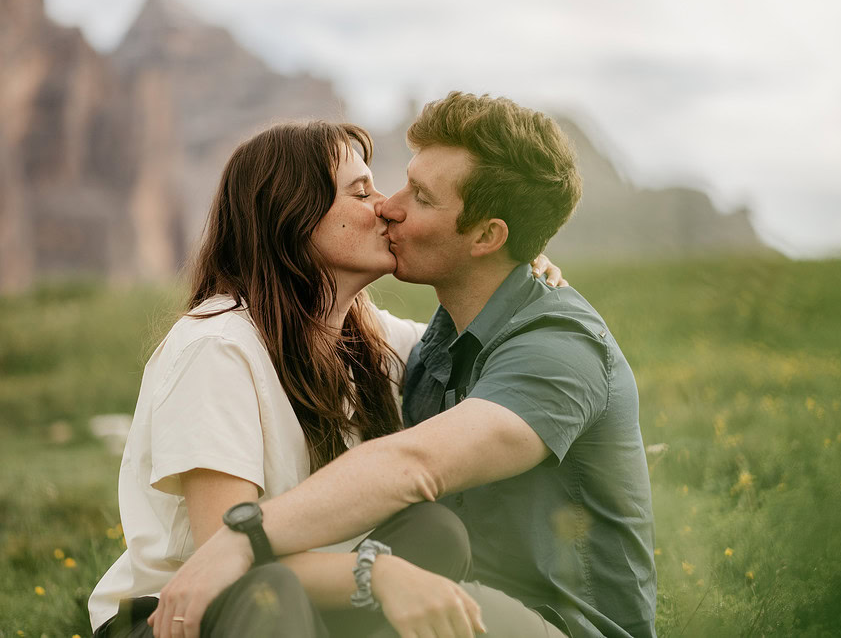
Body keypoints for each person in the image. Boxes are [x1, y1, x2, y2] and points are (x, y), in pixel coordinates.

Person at [153, 92, 657, 638]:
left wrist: (242, 538)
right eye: (374, 189)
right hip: (418, 600)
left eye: (419, 195)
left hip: (559, 626)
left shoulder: (559, 349)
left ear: (488, 236)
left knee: (423, 557)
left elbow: (415, 462)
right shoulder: (423, 345)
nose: (389, 207)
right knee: (426, 546)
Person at [88, 120, 566, 638]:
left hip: (297, 611)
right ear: (292, 216)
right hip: (180, 619)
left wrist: (513, 272)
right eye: (361, 192)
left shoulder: (369, 338)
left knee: (435, 532)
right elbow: (220, 557)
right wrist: (377, 573)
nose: (384, 206)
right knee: (276, 593)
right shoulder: (217, 348)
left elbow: (484, 348)